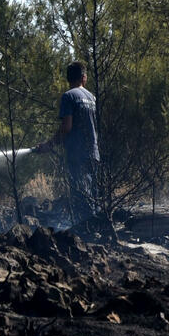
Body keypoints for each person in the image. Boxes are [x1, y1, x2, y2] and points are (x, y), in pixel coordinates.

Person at [36, 60, 100, 226]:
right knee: (92, 194)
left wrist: (49, 145)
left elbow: (66, 127)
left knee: (80, 194)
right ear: (84, 78)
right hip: (93, 153)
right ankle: (95, 227)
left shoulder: (69, 96)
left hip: (77, 154)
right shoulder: (92, 98)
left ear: (68, 78)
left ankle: (85, 231)